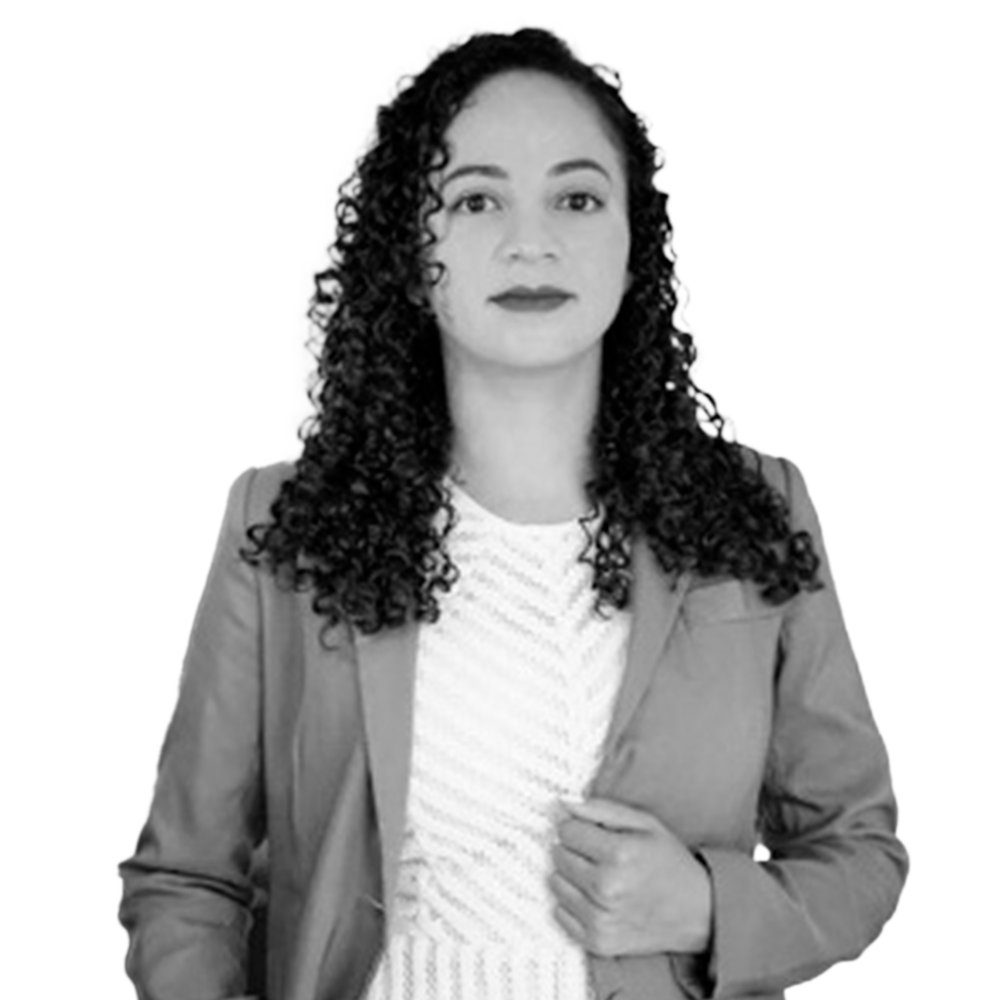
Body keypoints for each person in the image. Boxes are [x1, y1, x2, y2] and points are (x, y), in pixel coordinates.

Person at [117, 26, 908, 1000]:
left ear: (633, 246)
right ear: (412, 254)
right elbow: (186, 879)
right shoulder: (287, 526)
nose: (531, 242)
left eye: (576, 198)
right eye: (475, 199)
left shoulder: (753, 512)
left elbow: (857, 853)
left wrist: (708, 905)